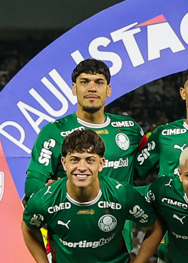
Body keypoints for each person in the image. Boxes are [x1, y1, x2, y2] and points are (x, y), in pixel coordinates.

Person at [22, 129, 156, 263]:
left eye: (89, 160)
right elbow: (28, 228)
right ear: (63, 163)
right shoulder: (45, 199)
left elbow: (155, 226)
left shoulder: (121, 194)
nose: (81, 167)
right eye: (74, 160)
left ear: (101, 164)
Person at [24, 58, 144, 198]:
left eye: (99, 82)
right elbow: (32, 184)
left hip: (119, 219)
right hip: (70, 219)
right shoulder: (54, 132)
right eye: (84, 82)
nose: (92, 88)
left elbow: (152, 159)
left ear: (108, 90)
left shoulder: (130, 129)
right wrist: (56, 192)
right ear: (74, 88)